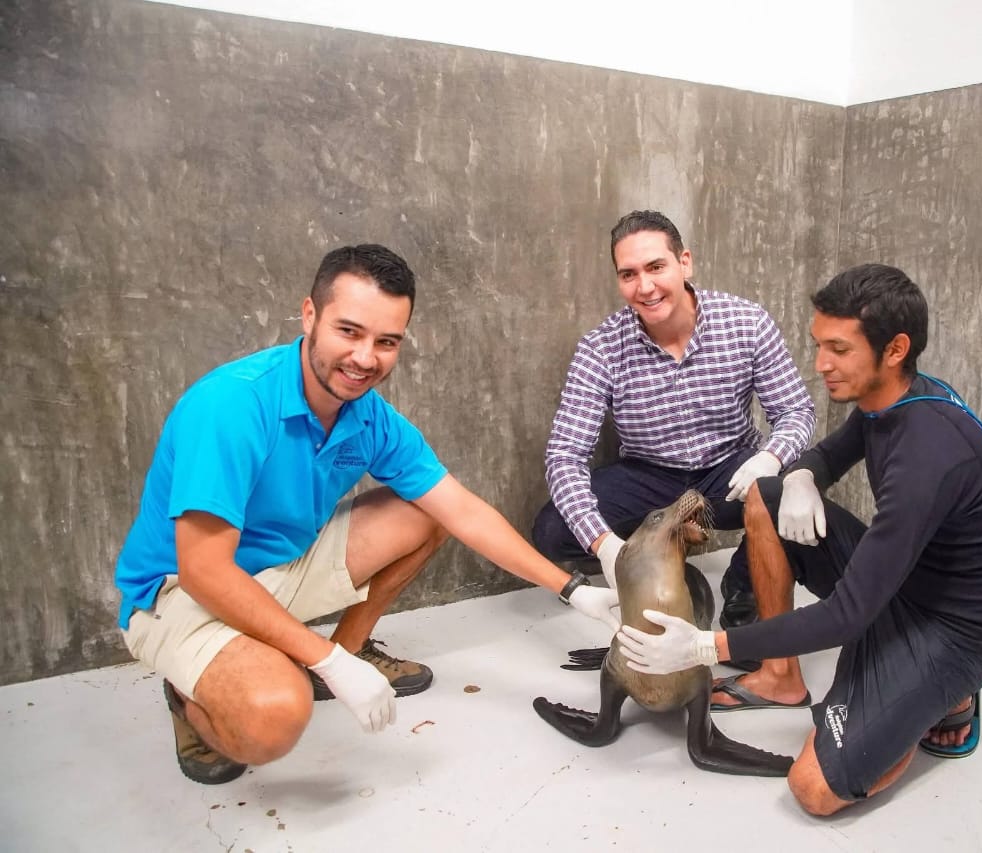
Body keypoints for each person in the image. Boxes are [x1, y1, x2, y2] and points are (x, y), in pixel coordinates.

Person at [114, 244, 620, 785]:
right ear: (309, 315)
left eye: (386, 342)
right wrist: (324, 664)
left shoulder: (367, 415)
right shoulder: (231, 407)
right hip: (182, 593)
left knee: (425, 513)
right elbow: (204, 571)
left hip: (283, 566)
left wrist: (572, 590)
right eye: (348, 331)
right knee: (273, 719)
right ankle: (189, 697)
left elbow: (461, 510)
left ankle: (346, 649)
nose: (364, 358)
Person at [615, 263, 982, 816]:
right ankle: (782, 677)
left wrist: (705, 647)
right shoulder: (892, 401)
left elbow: (847, 616)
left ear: (895, 348)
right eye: (818, 344)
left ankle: (946, 697)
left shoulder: (927, 458)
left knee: (813, 788)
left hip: (952, 630)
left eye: (838, 349)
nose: (821, 365)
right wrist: (804, 474)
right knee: (767, 493)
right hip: (904, 582)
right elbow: (831, 453)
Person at [531, 210, 815, 632]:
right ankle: (654, 565)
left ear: (685, 263)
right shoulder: (600, 347)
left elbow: (796, 411)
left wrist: (770, 458)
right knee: (552, 530)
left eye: (655, 267)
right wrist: (605, 546)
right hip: (649, 478)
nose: (644, 287)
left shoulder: (747, 322)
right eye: (628, 274)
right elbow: (565, 454)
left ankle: (745, 585)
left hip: (729, 472)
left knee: (796, 488)